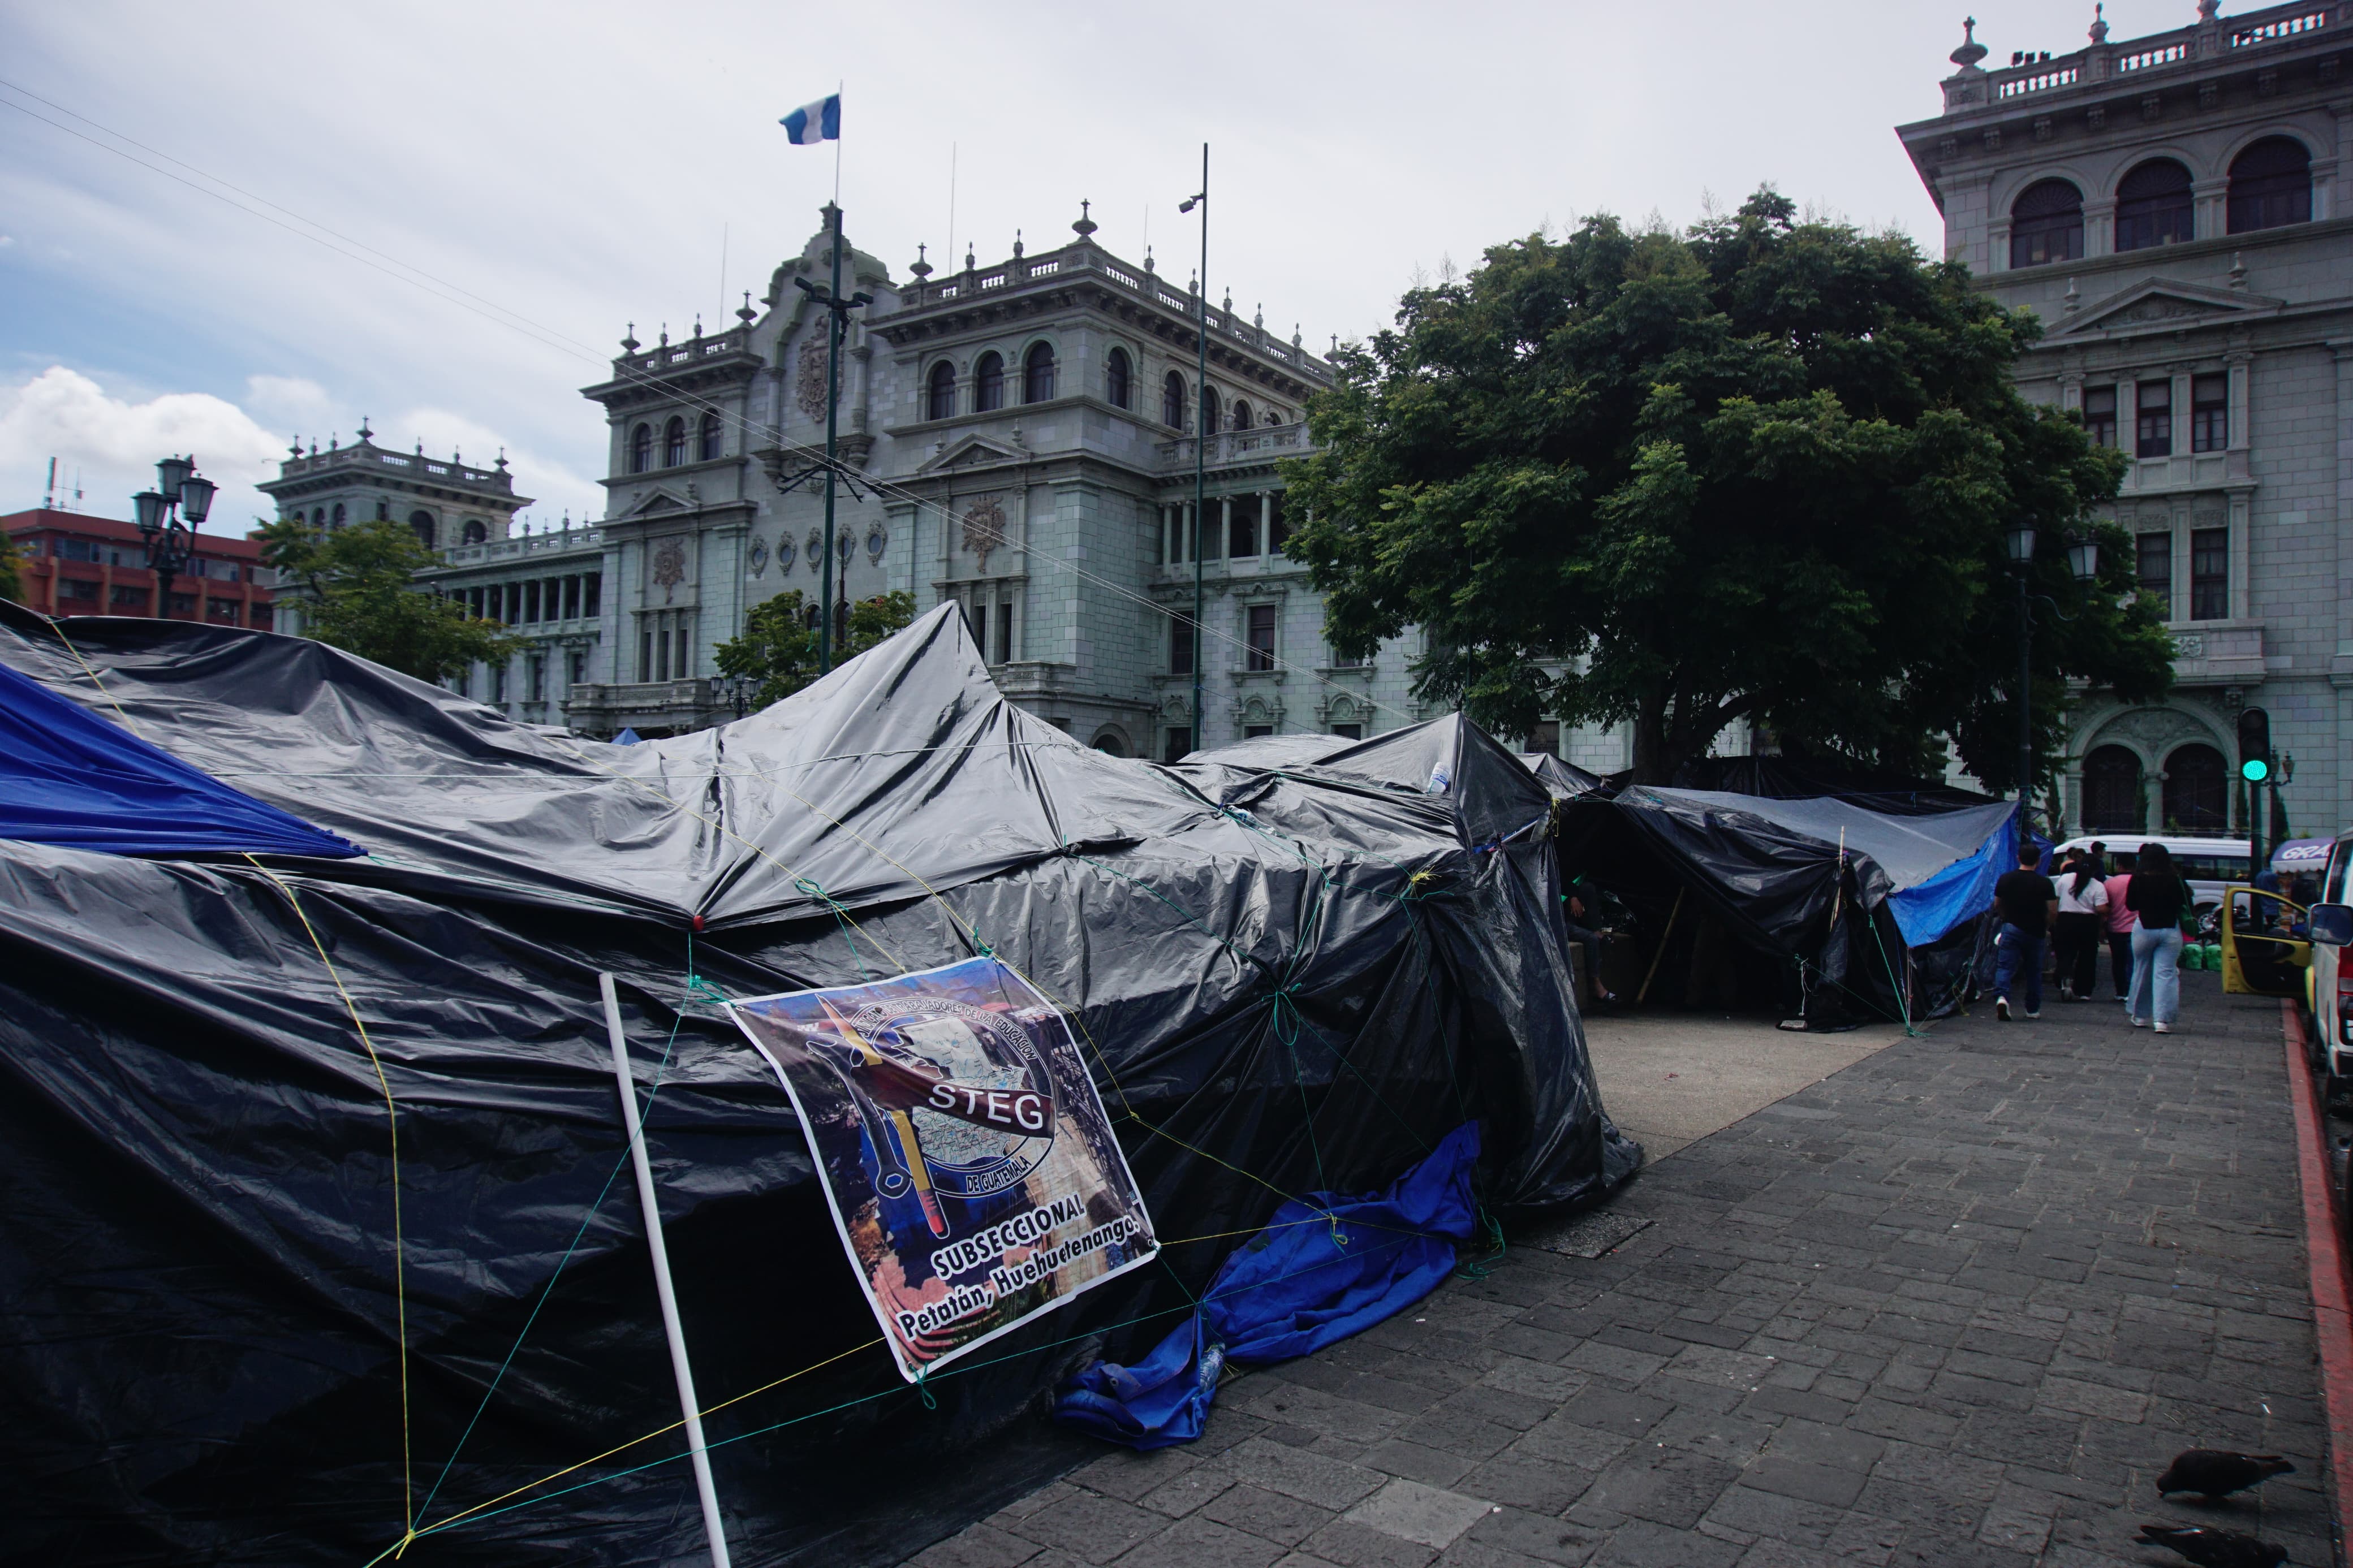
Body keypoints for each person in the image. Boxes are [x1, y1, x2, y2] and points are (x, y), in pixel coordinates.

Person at [2126, 841, 2192, 1034]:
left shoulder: (2137, 878)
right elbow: (2184, 902)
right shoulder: (2175, 878)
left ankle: (2139, 1015)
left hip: (2144, 928)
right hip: (2171, 929)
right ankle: (2162, 1020)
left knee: (2142, 969)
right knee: (2166, 973)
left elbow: (2131, 905)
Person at [1990, 840, 2058, 1021]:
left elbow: (1997, 904)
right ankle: (2032, 1009)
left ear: (2018, 858)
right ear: (2039, 861)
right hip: (2036, 931)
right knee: (2033, 971)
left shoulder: (2006, 879)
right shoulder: (2044, 883)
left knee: (2005, 966)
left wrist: (2005, 917)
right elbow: (2052, 910)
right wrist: (2047, 926)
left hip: (2011, 928)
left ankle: (2003, 998)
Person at [2052, 848, 2109, 1002]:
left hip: (2065, 920)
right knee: (2087, 956)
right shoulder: (2098, 886)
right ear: (2096, 869)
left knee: (2065, 952)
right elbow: (2101, 908)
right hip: (2088, 923)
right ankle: (2084, 990)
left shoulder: (2065, 879)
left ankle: (2064, 977)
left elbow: (2055, 898)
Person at [1562, 882, 1621, 1007]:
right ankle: (1597, 985)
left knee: (1587, 888)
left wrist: (1573, 897)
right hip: (1556, 922)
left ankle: (1597, 930)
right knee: (1591, 940)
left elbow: (1566, 882)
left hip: (1567, 914)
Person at [2101, 852, 2137, 1001]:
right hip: (2135, 929)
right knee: (2133, 962)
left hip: (2115, 928)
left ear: (2119, 866)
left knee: (2118, 962)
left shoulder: (2109, 883)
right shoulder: (2139, 881)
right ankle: (2132, 991)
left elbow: (2105, 907)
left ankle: (2120, 992)